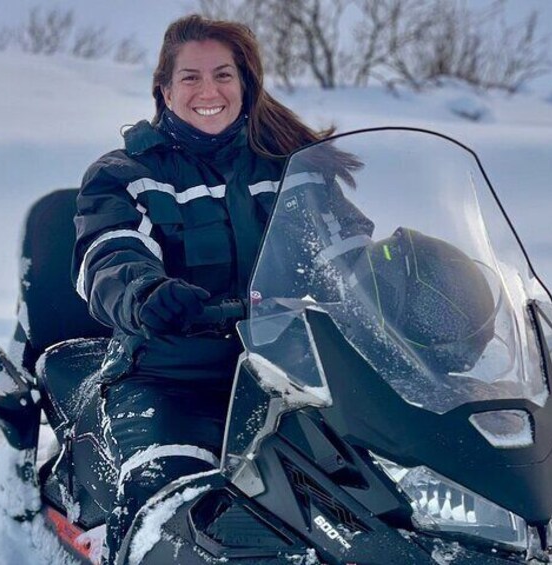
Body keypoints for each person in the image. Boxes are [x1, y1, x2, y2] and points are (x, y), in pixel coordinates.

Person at [71, 14, 348, 561]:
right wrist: (145, 293)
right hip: (171, 376)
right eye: (190, 77)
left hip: (294, 375)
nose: (208, 91)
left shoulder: (294, 167)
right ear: (164, 89)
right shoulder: (125, 173)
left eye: (222, 75)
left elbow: (345, 254)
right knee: (165, 510)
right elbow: (108, 253)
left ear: (245, 83)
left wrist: (416, 277)